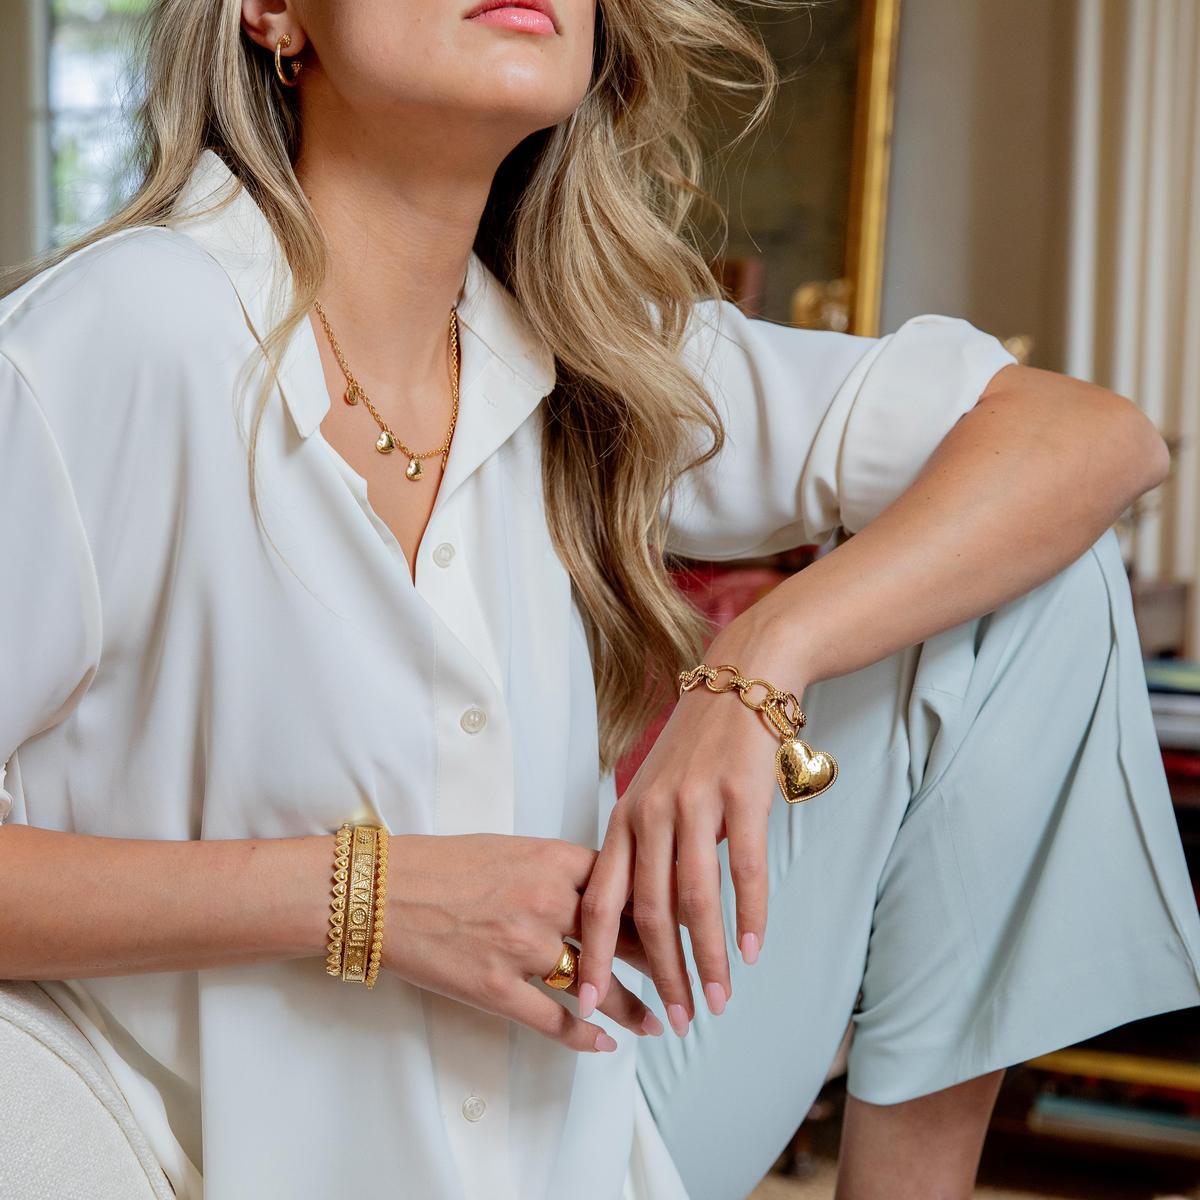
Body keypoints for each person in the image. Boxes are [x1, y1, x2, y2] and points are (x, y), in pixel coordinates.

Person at [1, 1, 1197, 1198]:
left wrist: (760, 662)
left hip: (587, 1124)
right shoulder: (126, 336)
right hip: (285, 1161)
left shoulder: (579, 344)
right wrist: (362, 896)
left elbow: (1093, 439)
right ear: (272, 12)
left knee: (1035, 574)